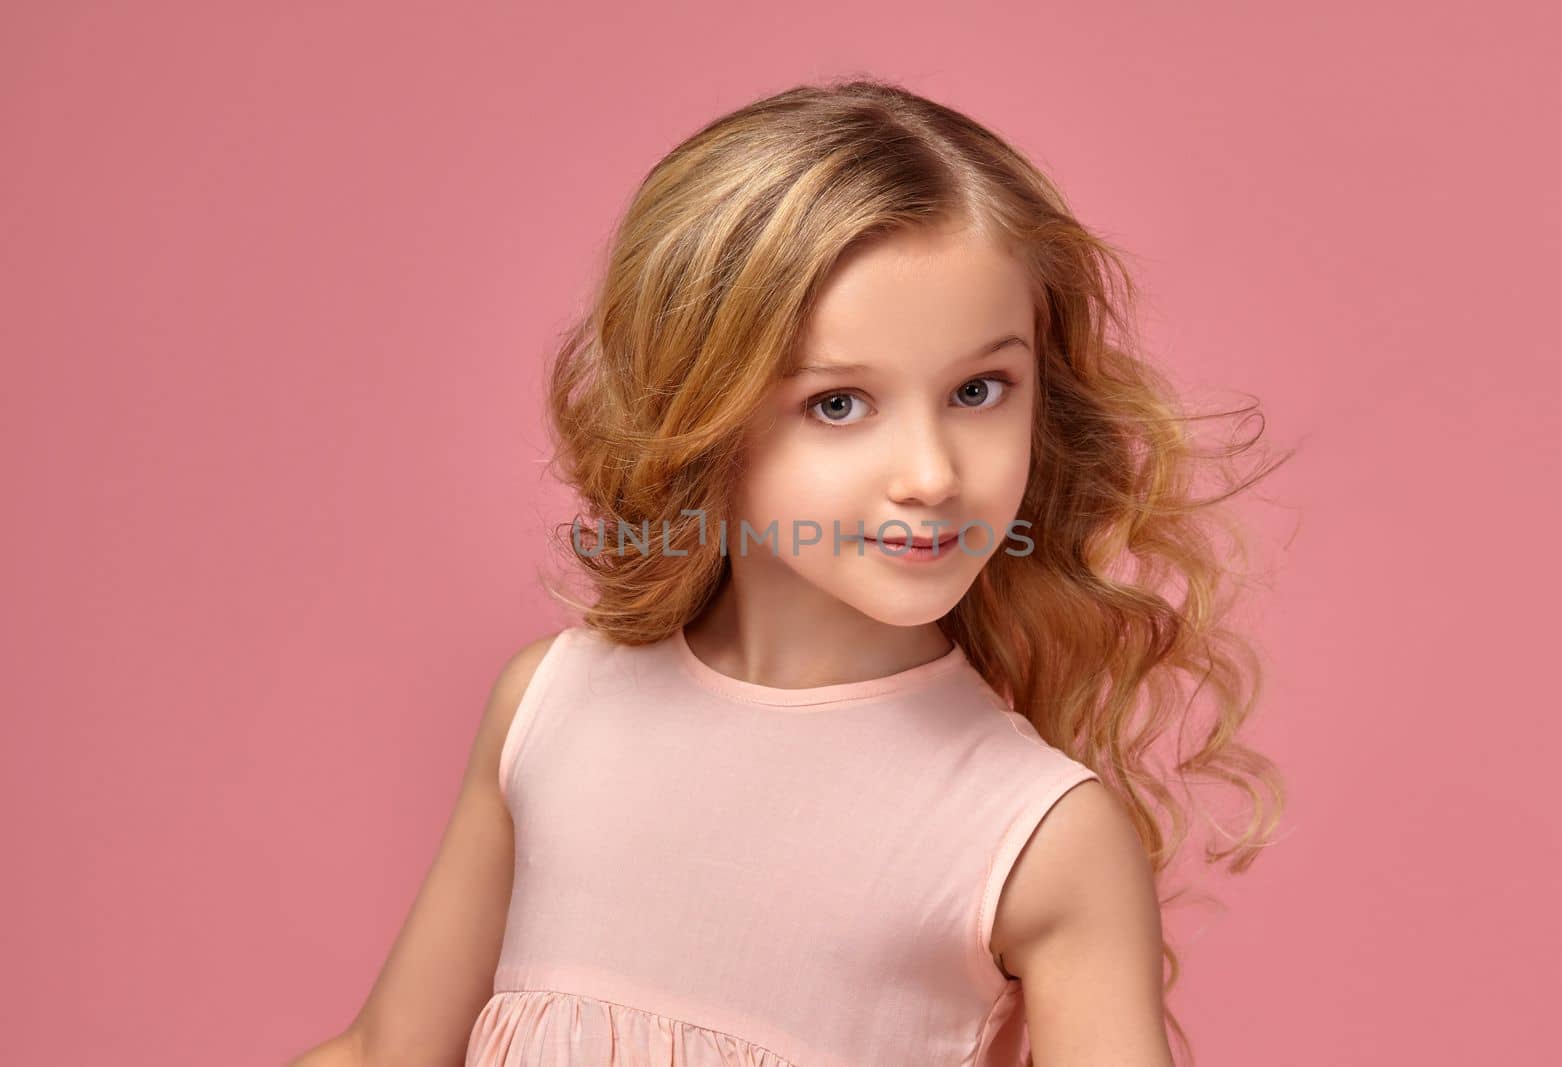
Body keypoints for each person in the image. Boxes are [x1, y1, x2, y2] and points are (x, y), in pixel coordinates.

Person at [287, 76, 1288, 1067]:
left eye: (980, 388)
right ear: (703, 410)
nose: (931, 474)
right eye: (839, 404)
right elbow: (384, 1050)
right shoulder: (552, 708)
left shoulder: (1036, 833)